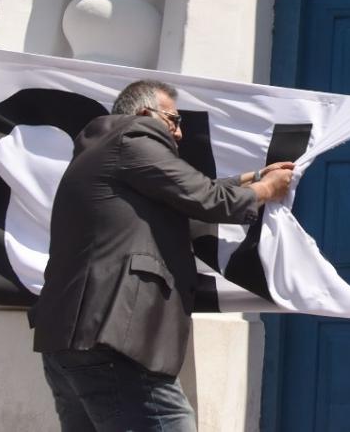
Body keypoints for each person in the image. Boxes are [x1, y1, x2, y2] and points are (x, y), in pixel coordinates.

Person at [30, 79, 295, 431]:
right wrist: (265, 189)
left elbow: (196, 191)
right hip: (112, 337)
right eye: (173, 119)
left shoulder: (103, 148)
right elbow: (207, 199)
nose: (179, 133)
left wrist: (254, 176)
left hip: (69, 340)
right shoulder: (134, 138)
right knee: (169, 421)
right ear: (144, 113)